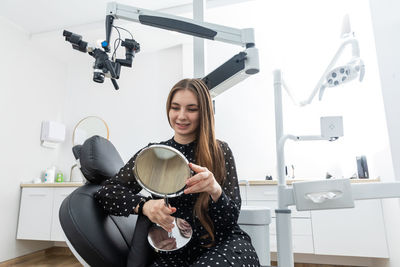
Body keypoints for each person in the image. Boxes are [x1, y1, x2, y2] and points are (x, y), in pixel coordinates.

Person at [94, 78, 260, 266]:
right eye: (175, 107)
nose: (181, 116)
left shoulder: (220, 151)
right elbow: (107, 193)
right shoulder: (152, 154)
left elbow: (230, 220)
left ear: (204, 112)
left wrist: (215, 190)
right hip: (174, 250)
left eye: (191, 109)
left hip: (222, 244)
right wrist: (145, 206)